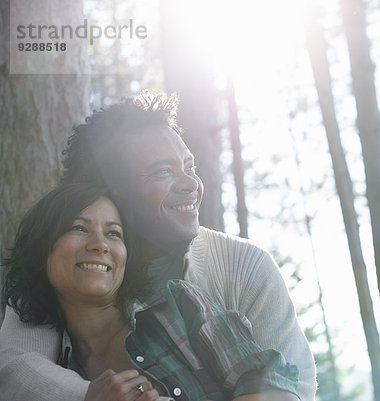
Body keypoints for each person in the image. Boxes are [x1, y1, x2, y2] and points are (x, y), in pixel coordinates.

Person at [0, 92, 316, 400]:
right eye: (163, 171)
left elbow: (288, 386)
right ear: (108, 193)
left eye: (189, 168)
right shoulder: (61, 273)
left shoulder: (240, 268)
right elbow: (17, 369)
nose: (191, 184)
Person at [3, 183, 300, 401]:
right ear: (41, 253)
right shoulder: (50, 371)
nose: (100, 244)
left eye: (113, 233)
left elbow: (269, 382)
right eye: (79, 228)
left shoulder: (179, 304)